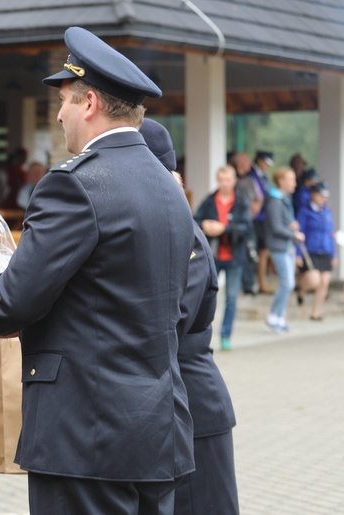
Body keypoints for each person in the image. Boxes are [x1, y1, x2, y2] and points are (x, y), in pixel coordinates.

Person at [0, 27, 195, 514]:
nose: (58, 114)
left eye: (63, 100)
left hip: (87, 433)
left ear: (90, 103)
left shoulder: (76, 184)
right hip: (156, 430)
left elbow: (21, 296)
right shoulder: (169, 188)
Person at [139, 119, 239, 515]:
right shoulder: (163, 229)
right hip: (168, 407)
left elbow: (172, 321)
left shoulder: (187, 236)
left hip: (196, 410)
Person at [193, 165, 253, 350]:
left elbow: (247, 228)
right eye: (221, 179)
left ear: (234, 181)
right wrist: (206, 225)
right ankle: (199, 335)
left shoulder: (242, 201)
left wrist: (224, 228)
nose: (224, 183)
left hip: (234, 256)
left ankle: (225, 336)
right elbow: (194, 220)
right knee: (204, 295)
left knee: (231, 298)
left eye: (228, 179)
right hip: (213, 255)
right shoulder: (210, 200)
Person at [264, 166, 305, 333]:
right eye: (291, 179)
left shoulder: (284, 199)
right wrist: (294, 234)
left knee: (289, 283)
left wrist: (292, 226)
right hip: (279, 246)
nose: (294, 183)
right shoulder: (275, 200)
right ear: (281, 181)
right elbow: (275, 227)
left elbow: (284, 223)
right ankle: (273, 317)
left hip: (286, 247)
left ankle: (279, 317)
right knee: (287, 282)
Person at [296, 181, 337, 320]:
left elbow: (330, 234)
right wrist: (298, 254)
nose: (323, 199)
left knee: (324, 282)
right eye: (321, 195)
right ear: (313, 194)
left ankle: (315, 313)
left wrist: (334, 254)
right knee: (314, 281)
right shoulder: (305, 211)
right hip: (310, 251)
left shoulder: (326, 211)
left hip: (325, 251)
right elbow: (299, 235)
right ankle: (301, 290)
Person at [231, 151, 261, 294]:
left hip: (249, 222)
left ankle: (249, 285)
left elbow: (260, 197)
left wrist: (256, 207)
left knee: (251, 252)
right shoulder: (232, 179)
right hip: (235, 224)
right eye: (247, 162)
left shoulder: (251, 179)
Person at [250, 150, 275, 294]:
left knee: (264, 251)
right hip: (255, 219)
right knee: (256, 251)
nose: (267, 166)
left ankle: (262, 282)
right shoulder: (251, 175)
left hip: (263, 219)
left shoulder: (263, 176)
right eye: (265, 162)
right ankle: (258, 283)